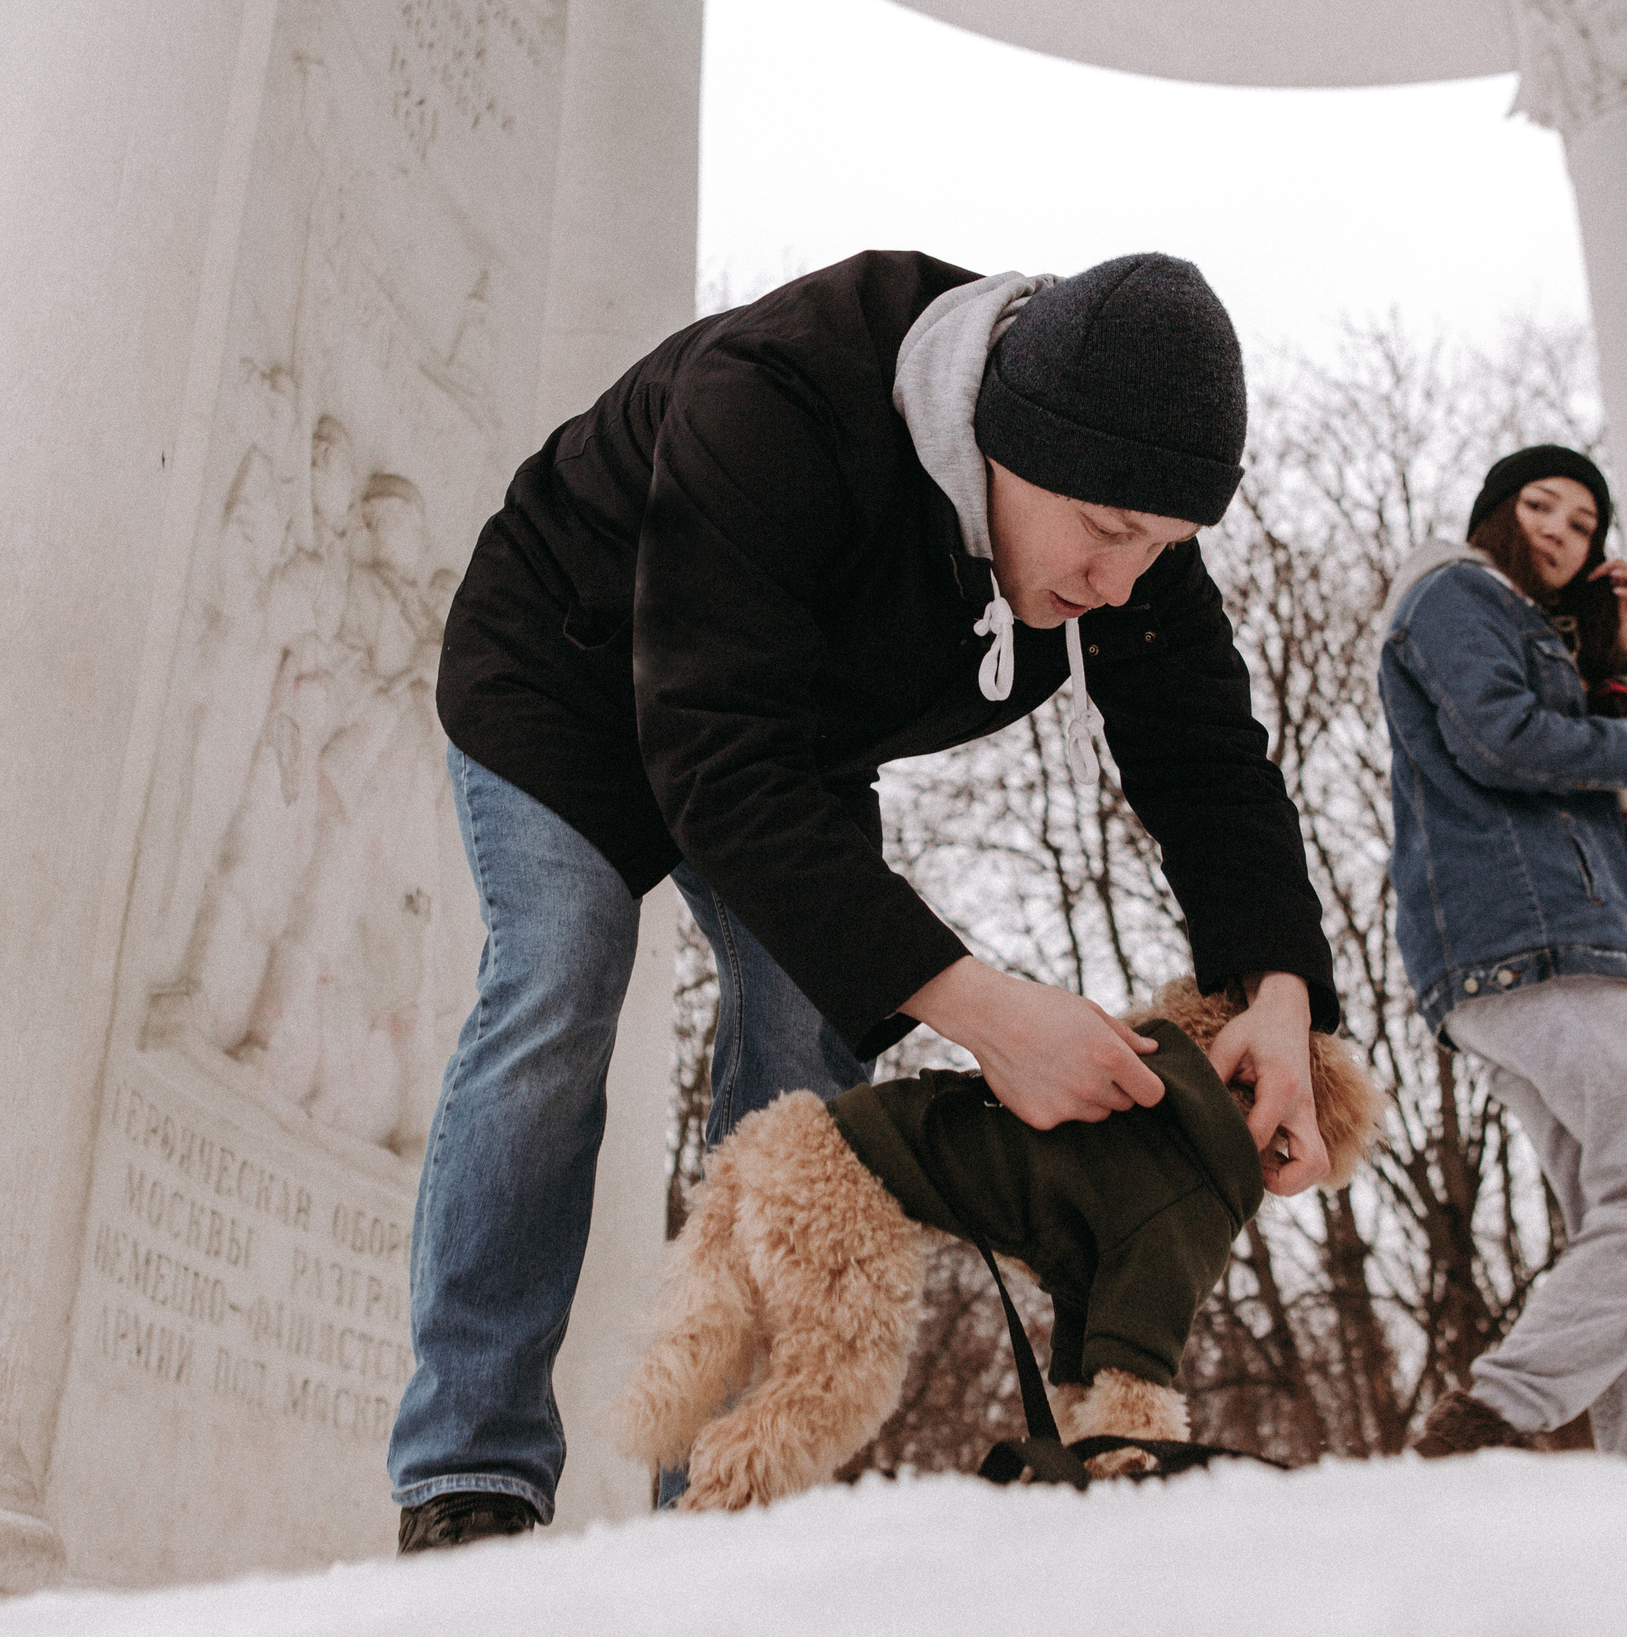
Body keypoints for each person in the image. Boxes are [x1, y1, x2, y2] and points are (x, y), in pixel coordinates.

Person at [392, 251, 1346, 1547]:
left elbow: (1209, 764)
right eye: (1108, 538)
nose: (1122, 583)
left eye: (1161, 549)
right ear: (1006, 443)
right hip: (563, 672)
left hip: (784, 739)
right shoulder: (780, 398)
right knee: (563, 968)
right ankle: (472, 1472)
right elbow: (711, 763)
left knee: (807, 1054)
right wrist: (989, 1014)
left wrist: (1280, 996)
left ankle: (721, 1507)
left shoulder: (1124, 518)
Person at [1376, 444, 1627, 1470]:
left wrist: (1609, 641)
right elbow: (1504, 739)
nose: (1558, 529)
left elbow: (1561, 710)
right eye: (1539, 503)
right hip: (1531, 934)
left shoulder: (1525, 621)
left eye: (1581, 523)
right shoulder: (1453, 590)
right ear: (1496, 509)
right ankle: (1493, 1410)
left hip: (1549, 942)